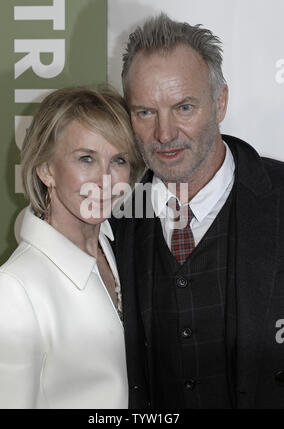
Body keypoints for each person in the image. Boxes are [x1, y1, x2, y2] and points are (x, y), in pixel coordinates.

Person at [113, 13, 284, 409]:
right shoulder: (112, 217)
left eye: (184, 107)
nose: (165, 134)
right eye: (145, 112)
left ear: (220, 101)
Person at [0, 86, 144, 409]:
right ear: (46, 170)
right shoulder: (10, 291)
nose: (105, 179)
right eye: (86, 158)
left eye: (118, 160)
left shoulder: (117, 250)